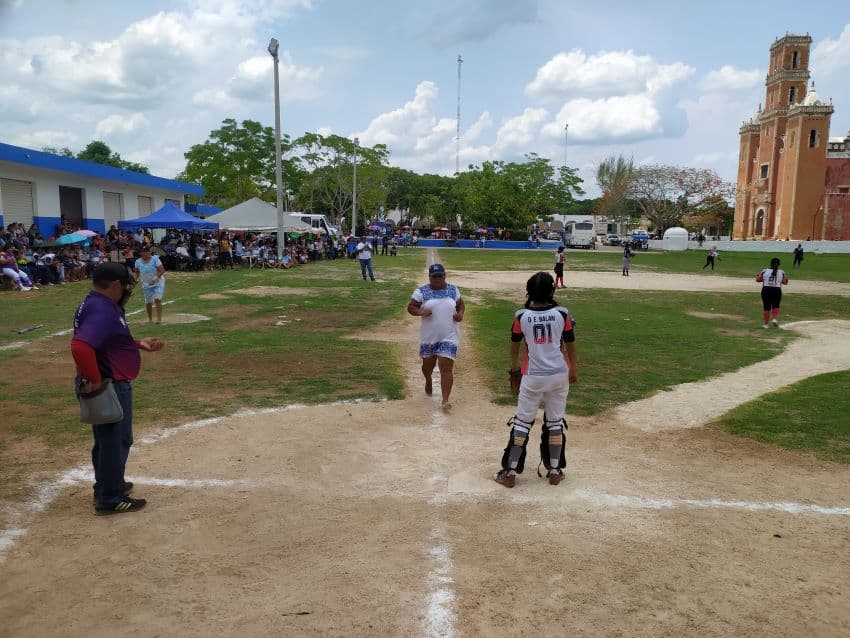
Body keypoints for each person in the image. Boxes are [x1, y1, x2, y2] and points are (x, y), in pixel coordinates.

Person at [71, 262, 165, 514]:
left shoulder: (95, 304)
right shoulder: (102, 310)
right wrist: (96, 379)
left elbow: (107, 339)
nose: (126, 290)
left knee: (106, 439)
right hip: (109, 385)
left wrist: (137, 344)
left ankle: (108, 484)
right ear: (114, 285)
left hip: (107, 381)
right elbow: (81, 346)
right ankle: (110, 497)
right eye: (124, 285)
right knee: (116, 440)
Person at [495, 272, 578, 488]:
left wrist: (513, 367)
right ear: (551, 291)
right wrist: (574, 368)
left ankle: (510, 471)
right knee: (555, 421)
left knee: (522, 422)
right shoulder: (562, 313)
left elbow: (514, 344)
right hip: (559, 374)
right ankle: (555, 470)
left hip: (533, 375)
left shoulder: (521, 316)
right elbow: (570, 343)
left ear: (529, 292)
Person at [406, 263, 465, 410]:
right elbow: (411, 307)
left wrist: (460, 314)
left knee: (446, 368)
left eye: (440, 276)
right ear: (430, 277)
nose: (438, 279)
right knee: (428, 366)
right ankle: (428, 379)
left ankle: (445, 401)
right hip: (429, 337)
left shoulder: (453, 290)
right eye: (434, 276)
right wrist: (421, 312)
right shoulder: (421, 292)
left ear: (444, 275)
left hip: (449, 336)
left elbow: (461, 304)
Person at [133, 246, 166, 324]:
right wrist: (135, 280)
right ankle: (150, 319)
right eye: (145, 252)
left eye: (148, 251)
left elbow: (162, 271)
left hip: (158, 282)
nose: (148, 253)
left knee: (157, 299)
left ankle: (159, 319)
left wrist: (155, 279)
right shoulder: (137, 262)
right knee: (148, 302)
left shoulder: (155, 259)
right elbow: (137, 272)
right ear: (141, 253)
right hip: (146, 283)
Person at [756, 257, 789, 328]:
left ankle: (766, 324)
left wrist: (759, 276)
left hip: (766, 290)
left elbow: (758, 279)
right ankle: (774, 319)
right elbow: (785, 282)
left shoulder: (764, 271)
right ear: (779, 264)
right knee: (776, 305)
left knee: (766, 307)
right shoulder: (782, 272)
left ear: (770, 263)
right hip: (777, 290)